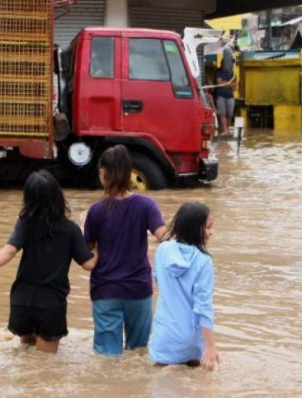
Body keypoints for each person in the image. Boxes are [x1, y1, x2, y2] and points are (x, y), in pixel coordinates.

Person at [0, 170, 98, 353]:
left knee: (25, 358)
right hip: (50, 305)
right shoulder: (70, 230)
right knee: (44, 369)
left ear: (29, 199)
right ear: (58, 196)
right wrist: (96, 239)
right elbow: (89, 264)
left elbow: (9, 250)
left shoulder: (25, 223)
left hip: (21, 302)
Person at [81, 145, 167, 356]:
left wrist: (84, 226)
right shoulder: (146, 204)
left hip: (105, 289)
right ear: (129, 172)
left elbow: (87, 251)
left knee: (107, 357)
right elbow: (164, 237)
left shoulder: (96, 210)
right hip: (138, 288)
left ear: (103, 174)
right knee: (138, 352)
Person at [148, 202, 221, 371]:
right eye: (208, 227)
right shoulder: (203, 261)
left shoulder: (163, 251)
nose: (211, 232)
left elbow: (158, 279)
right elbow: (203, 306)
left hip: (165, 333)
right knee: (194, 386)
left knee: (161, 386)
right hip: (192, 337)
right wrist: (210, 346)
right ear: (195, 228)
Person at [214, 47, 237, 137]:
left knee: (230, 113)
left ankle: (227, 130)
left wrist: (226, 84)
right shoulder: (219, 72)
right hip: (221, 95)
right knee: (222, 113)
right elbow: (219, 83)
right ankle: (224, 130)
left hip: (230, 96)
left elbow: (235, 85)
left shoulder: (232, 73)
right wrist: (230, 84)